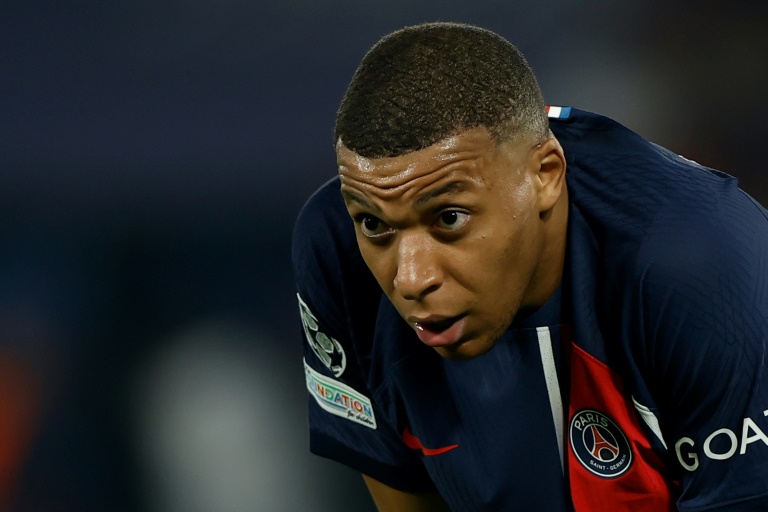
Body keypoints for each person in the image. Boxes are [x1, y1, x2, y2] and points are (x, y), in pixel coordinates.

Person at [292, 21, 768, 511]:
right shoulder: (336, 249)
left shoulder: (702, 265)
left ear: (546, 175)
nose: (412, 279)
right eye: (374, 224)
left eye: (450, 218)